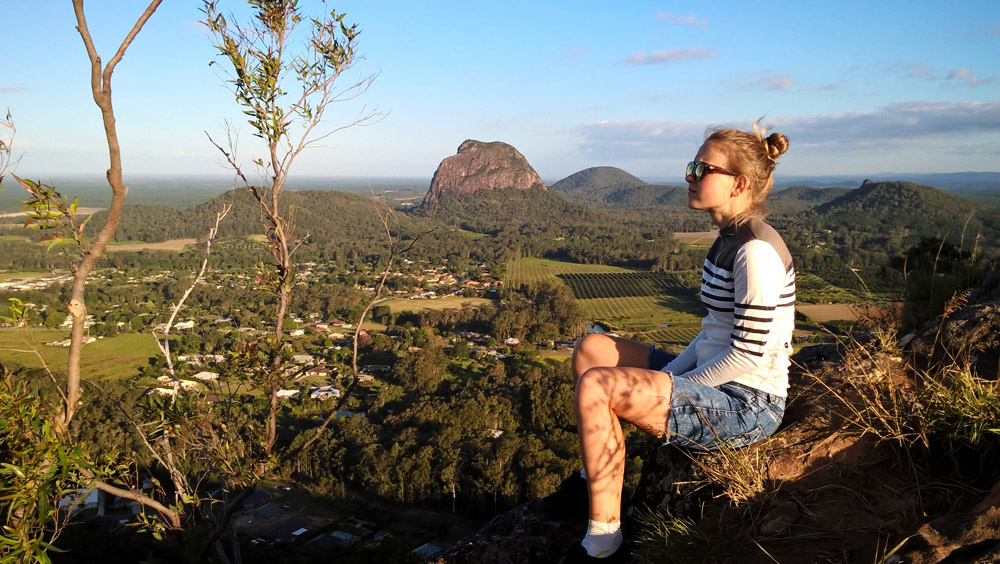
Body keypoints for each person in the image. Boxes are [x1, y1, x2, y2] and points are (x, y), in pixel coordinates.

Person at [565, 121, 794, 561]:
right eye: (692, 166)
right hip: (718, 377)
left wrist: (674, 389)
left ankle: (603, 542)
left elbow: (748, 352)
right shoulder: (727, 238)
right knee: (590, 350)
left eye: (702, 169)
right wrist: (668, 378)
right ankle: (593, 480)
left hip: (747, 403)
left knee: (599, 385)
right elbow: (713, 332)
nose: (689, 176)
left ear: (739, 183)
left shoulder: (755, 251)